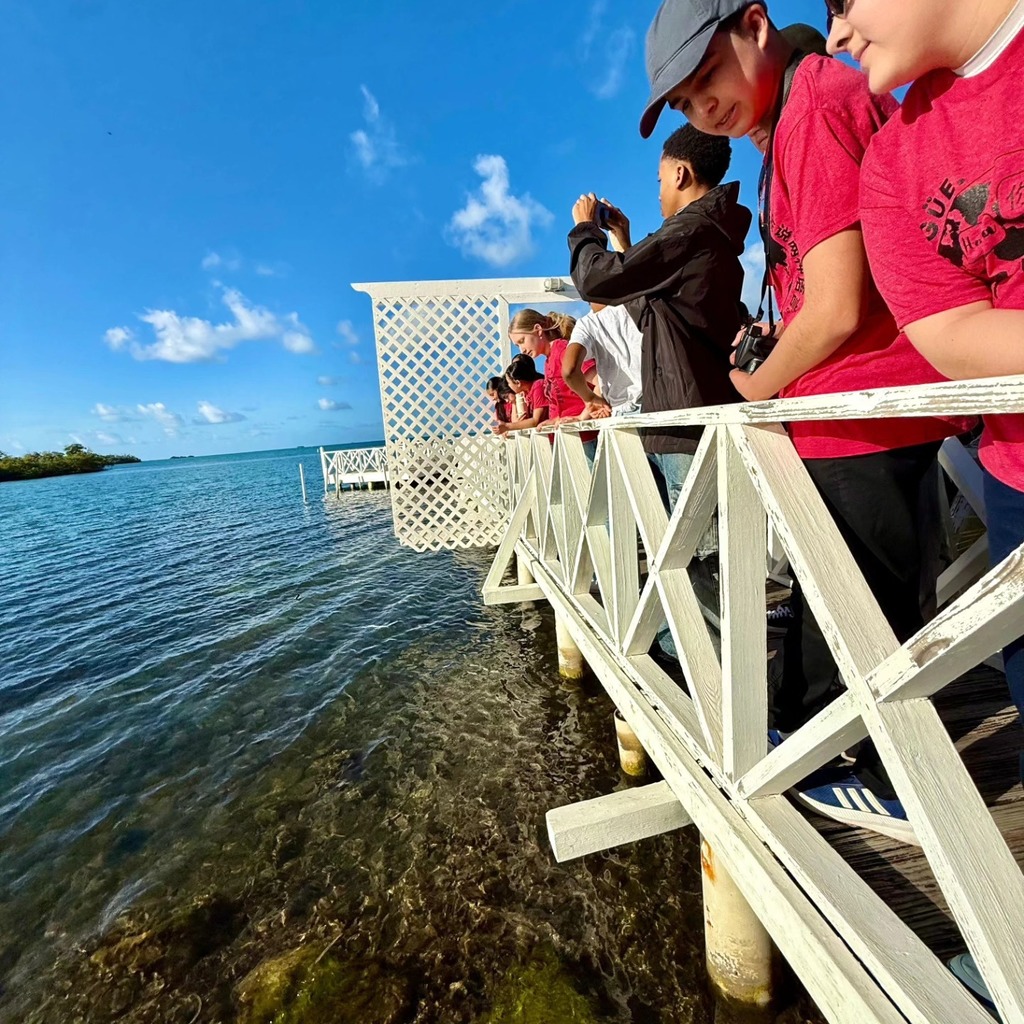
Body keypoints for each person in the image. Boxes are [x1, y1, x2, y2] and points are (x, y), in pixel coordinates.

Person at [640, 0, 972, 843]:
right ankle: (838, 741)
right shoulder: (798, 111)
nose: (701, 106)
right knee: (859, 598)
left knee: (866, 608)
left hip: (864, 407)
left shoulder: (816, 107)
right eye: (683, 102)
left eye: (704, 77)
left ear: (754, 25)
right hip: (856, 408)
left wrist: (760, 388)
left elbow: (834, 310)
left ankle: (860, 765)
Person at [568, 124, 750, 511]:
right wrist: (624, 239)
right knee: (692, 552)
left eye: (660, 179)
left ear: (680, 174)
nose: (658, 191)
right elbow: (650, 309)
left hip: (685, 423)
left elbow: (596, 280)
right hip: (691, 413)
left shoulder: (688, 232)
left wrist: (585, 229)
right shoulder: (711, 236)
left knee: (700, 557)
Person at [507, 309, 598, 458]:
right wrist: (555, 419)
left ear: (538, 329)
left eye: (522, 341)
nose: (521, 349)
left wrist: (582, 417)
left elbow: (599, 382)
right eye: (517, 346)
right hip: (570, 438)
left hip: (586, 437)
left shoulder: (563, 349)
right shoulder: (548, 359)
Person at [562, 303, 644, 419]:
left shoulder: (586, 324)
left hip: (621, 412)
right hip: (660, 401)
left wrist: (590, 398)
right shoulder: (638, 305)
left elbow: (569, 370)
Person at [494, 355, 549, 435]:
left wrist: (507, 426)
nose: (509, 386)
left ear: (518, 383)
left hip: (550, 437)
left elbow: (535, 421)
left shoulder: (538, 386)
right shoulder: (526, 393)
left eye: (509, 383)